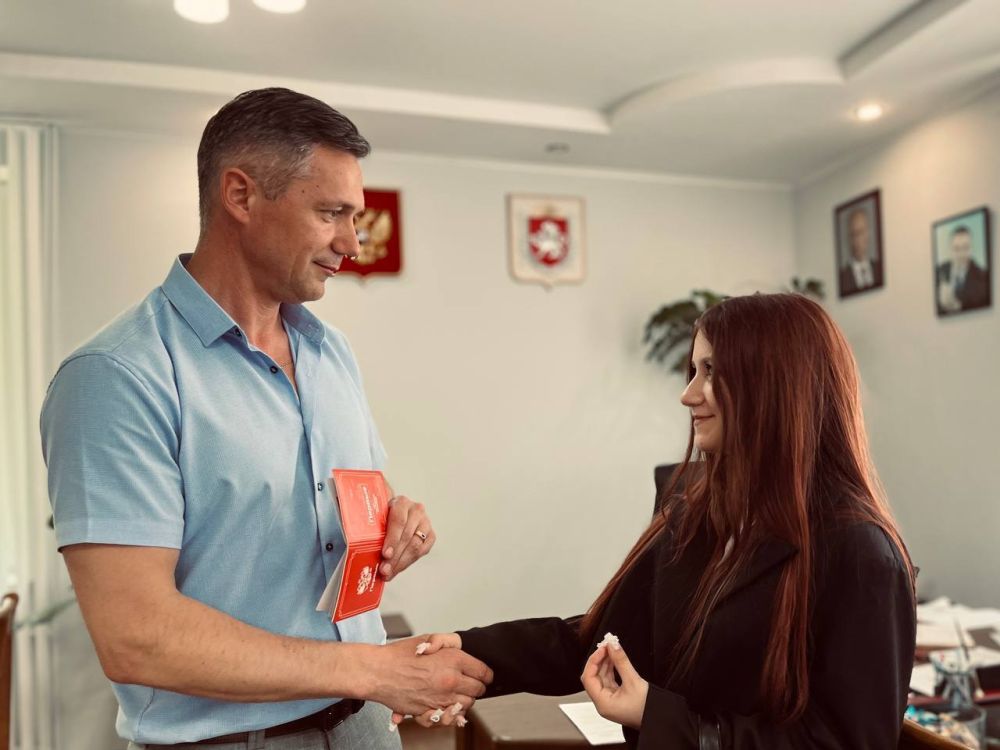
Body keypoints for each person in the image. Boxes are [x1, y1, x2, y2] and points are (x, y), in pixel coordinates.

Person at [40, 88, 492, 749]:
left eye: (355, 217)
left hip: (367, 727)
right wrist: (374, 669)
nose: (352, 243)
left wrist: (399, 522)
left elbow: (348, 498)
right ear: (241, 196)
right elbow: (137, 637)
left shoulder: (331, 352)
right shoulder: (115, 376)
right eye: (331, 213)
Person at [405, 293, 917, 749]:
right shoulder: (696, 518)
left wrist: (661, 718)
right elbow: (597, 641)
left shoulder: (861, 553)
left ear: (776, 385)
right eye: (693, 371)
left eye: (711, 371)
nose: (688, 394)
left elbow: (847, 742)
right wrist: (467, 649)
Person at [936, 225, 990, 314]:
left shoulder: (983, 277)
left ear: (972, 248)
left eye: (965, 248)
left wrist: (960, 307)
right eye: (956, 249)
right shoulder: (939, 271)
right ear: (949, 249)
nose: (961, 254)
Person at [839, 207, 883, 296]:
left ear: (868, 234)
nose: (857, 240)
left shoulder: (878, 267)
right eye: (853, 234)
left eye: (860, 232)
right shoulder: (844, 276)